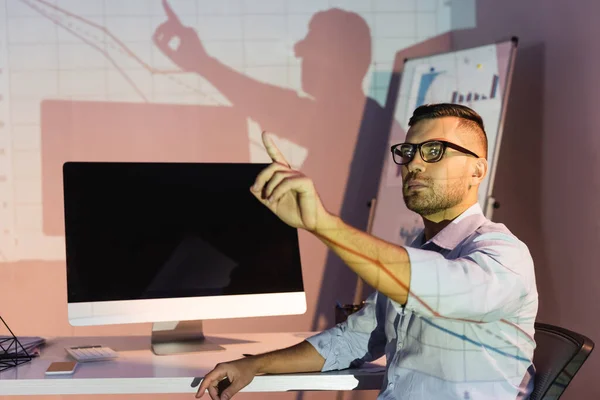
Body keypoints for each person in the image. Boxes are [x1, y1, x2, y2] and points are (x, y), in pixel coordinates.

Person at [195, 103, 539, 400]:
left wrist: (322, 224)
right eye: (408, 151)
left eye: (434, 150)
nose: (414, 164)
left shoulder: (503, 255)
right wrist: (254, 364)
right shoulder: (417, 250)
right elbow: (351, 340)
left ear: (477, 170)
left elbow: (436, 291)